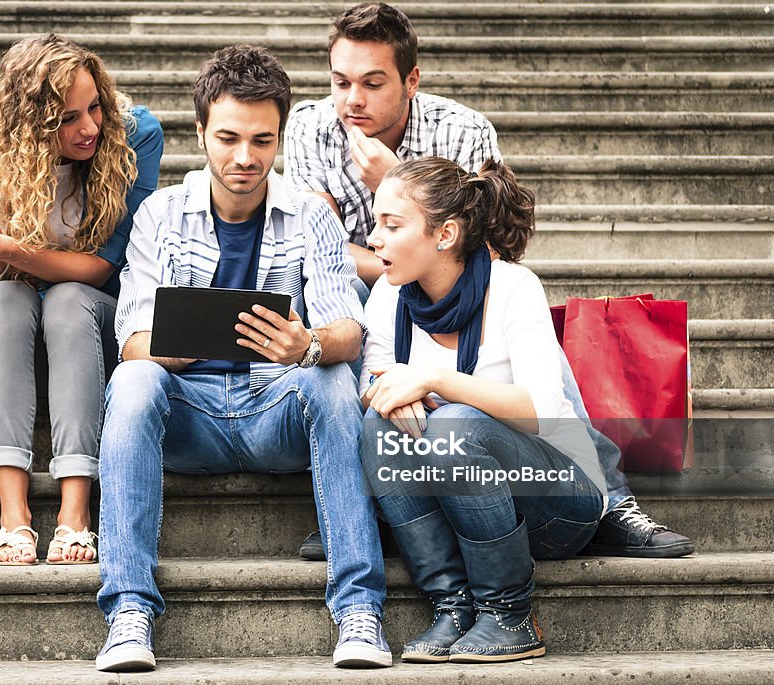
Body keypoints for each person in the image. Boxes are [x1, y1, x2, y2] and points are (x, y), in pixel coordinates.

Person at [285, 2, 693, 561]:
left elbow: (492, 254)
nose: (352, 100)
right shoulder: (311, 126)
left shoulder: (461, 129)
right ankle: (364, 500)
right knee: (342, 305)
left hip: (460, 287)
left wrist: (398, 182)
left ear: (411, 81)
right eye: (340, 82)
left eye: (372, 83)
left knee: (516, 300)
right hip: (370, 287)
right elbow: (321, 249)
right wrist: (398, 257)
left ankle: (609, 496)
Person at [94, 45, 390, 672]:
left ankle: (360, 610)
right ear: (200, 131)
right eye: (228, 138)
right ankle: (128, 613)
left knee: (333, 378)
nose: (245, 158)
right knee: (134, 379)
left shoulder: (312, 216)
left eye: (262, 140)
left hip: (273, 410)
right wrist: (176, 343)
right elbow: (131, 339)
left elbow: (349, 330)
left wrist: (307, 344)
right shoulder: (159, 214)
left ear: (279, 136)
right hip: (188, 417)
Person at [360, 156, 606, 662]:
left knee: (453, 425)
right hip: (463, 506)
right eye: (374, 222)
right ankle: (453, 605)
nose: (374, 239)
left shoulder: (514, 287)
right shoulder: (389, 296)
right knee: (375, 425)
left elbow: (539, 411)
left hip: (558, 504)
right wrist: (390, 399)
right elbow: (373, 382)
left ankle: (510, 613)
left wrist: (435, 379)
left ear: (445, 234)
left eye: (392, 225)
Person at [0, 34, 163, 566]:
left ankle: (74, 513)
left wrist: (16, 251)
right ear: (30, 128)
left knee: (67, 297)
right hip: (23, 327)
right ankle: (13, 517)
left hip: (96, 319)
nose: (89, 127)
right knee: (8, 297)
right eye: (66, 119)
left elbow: (106, 267)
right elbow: (8, 270)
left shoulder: (136, 136)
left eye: (95, 108)